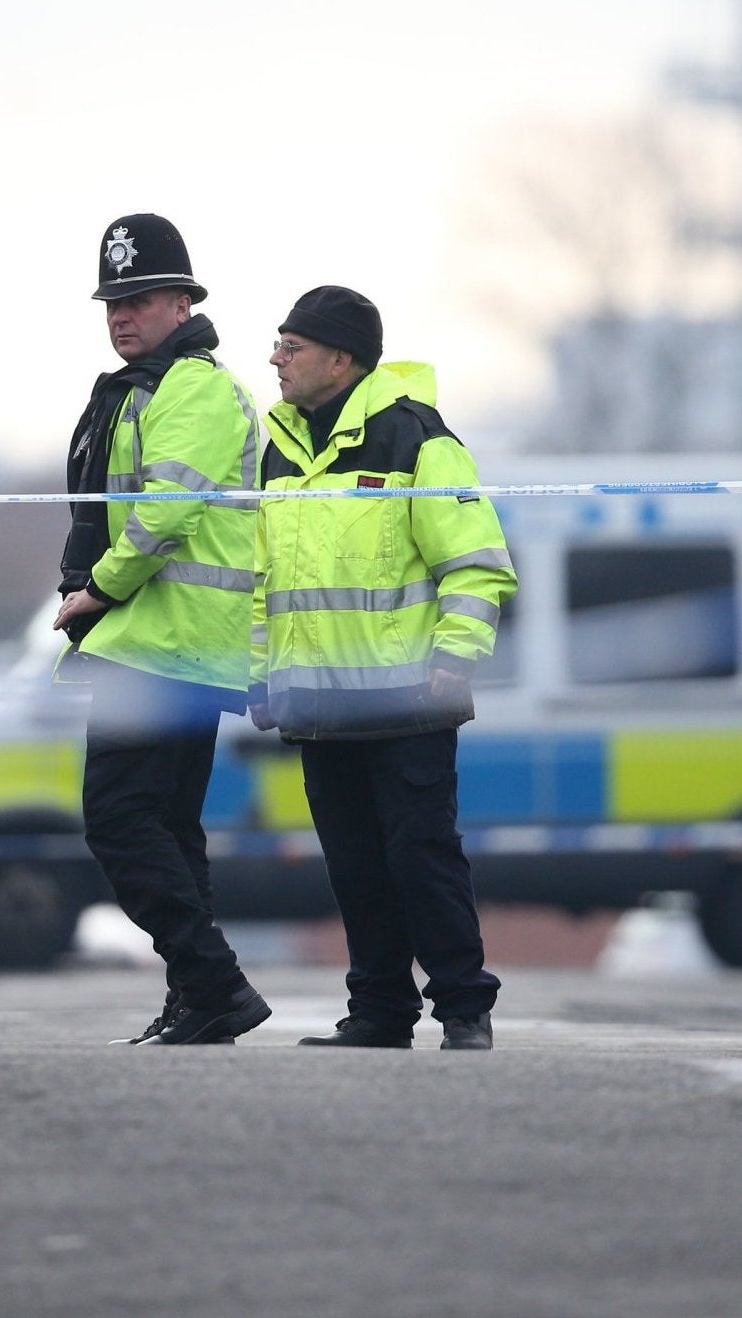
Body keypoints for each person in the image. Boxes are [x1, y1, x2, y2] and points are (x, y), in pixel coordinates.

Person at [248, 286, 517, 1051]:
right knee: (355, 868)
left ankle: (465, 1009)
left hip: (407, 698)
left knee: (418, 857)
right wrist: (264, 675)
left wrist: (452, 662)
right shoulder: (279, 449)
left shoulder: (419, 441)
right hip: (319, 702)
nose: (275, 357)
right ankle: (379, 1013)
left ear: (341, 358)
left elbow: (476, 566)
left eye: (290, 346)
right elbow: (269, 584)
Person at [54, 213, 271, 1045]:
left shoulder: (196, 389)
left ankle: (214, 979)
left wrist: (98, 592)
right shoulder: (149, 389)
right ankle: (201, 995)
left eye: (139, 299)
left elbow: (165, 510)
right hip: (169, 644)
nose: (122, 314)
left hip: (162, 643)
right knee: (169, 829)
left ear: (183, 303)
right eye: (112, 300)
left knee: (117, 820)